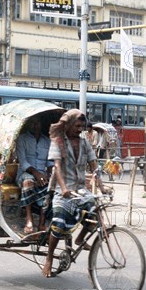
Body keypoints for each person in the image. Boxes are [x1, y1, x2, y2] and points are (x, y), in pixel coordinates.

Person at [43, 109, 102, 278]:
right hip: (63, 190)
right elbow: (58, 168)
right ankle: (49, 259)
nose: (79, 129)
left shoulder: (84, 143)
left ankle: (79, 239)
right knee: (59, 223)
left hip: (80, 189)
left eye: (82, 126)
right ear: (68, 125)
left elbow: (94, 165)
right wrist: (63, 189)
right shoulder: (58, 142)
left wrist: (102, 185)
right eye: (76, 126)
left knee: (96, 212)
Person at [15, 114, 54, 234]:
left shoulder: (47, 141)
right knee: (28, 182)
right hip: (25, 173)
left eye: (37, 122)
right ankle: (29, 219)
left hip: (42, 174)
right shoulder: (22, 139)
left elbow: (49, 161)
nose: (35, 125)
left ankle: (42, 222)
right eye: (32, 123)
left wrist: (49, 173)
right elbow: (23, 162)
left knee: (51, 186)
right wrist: (36, 174)